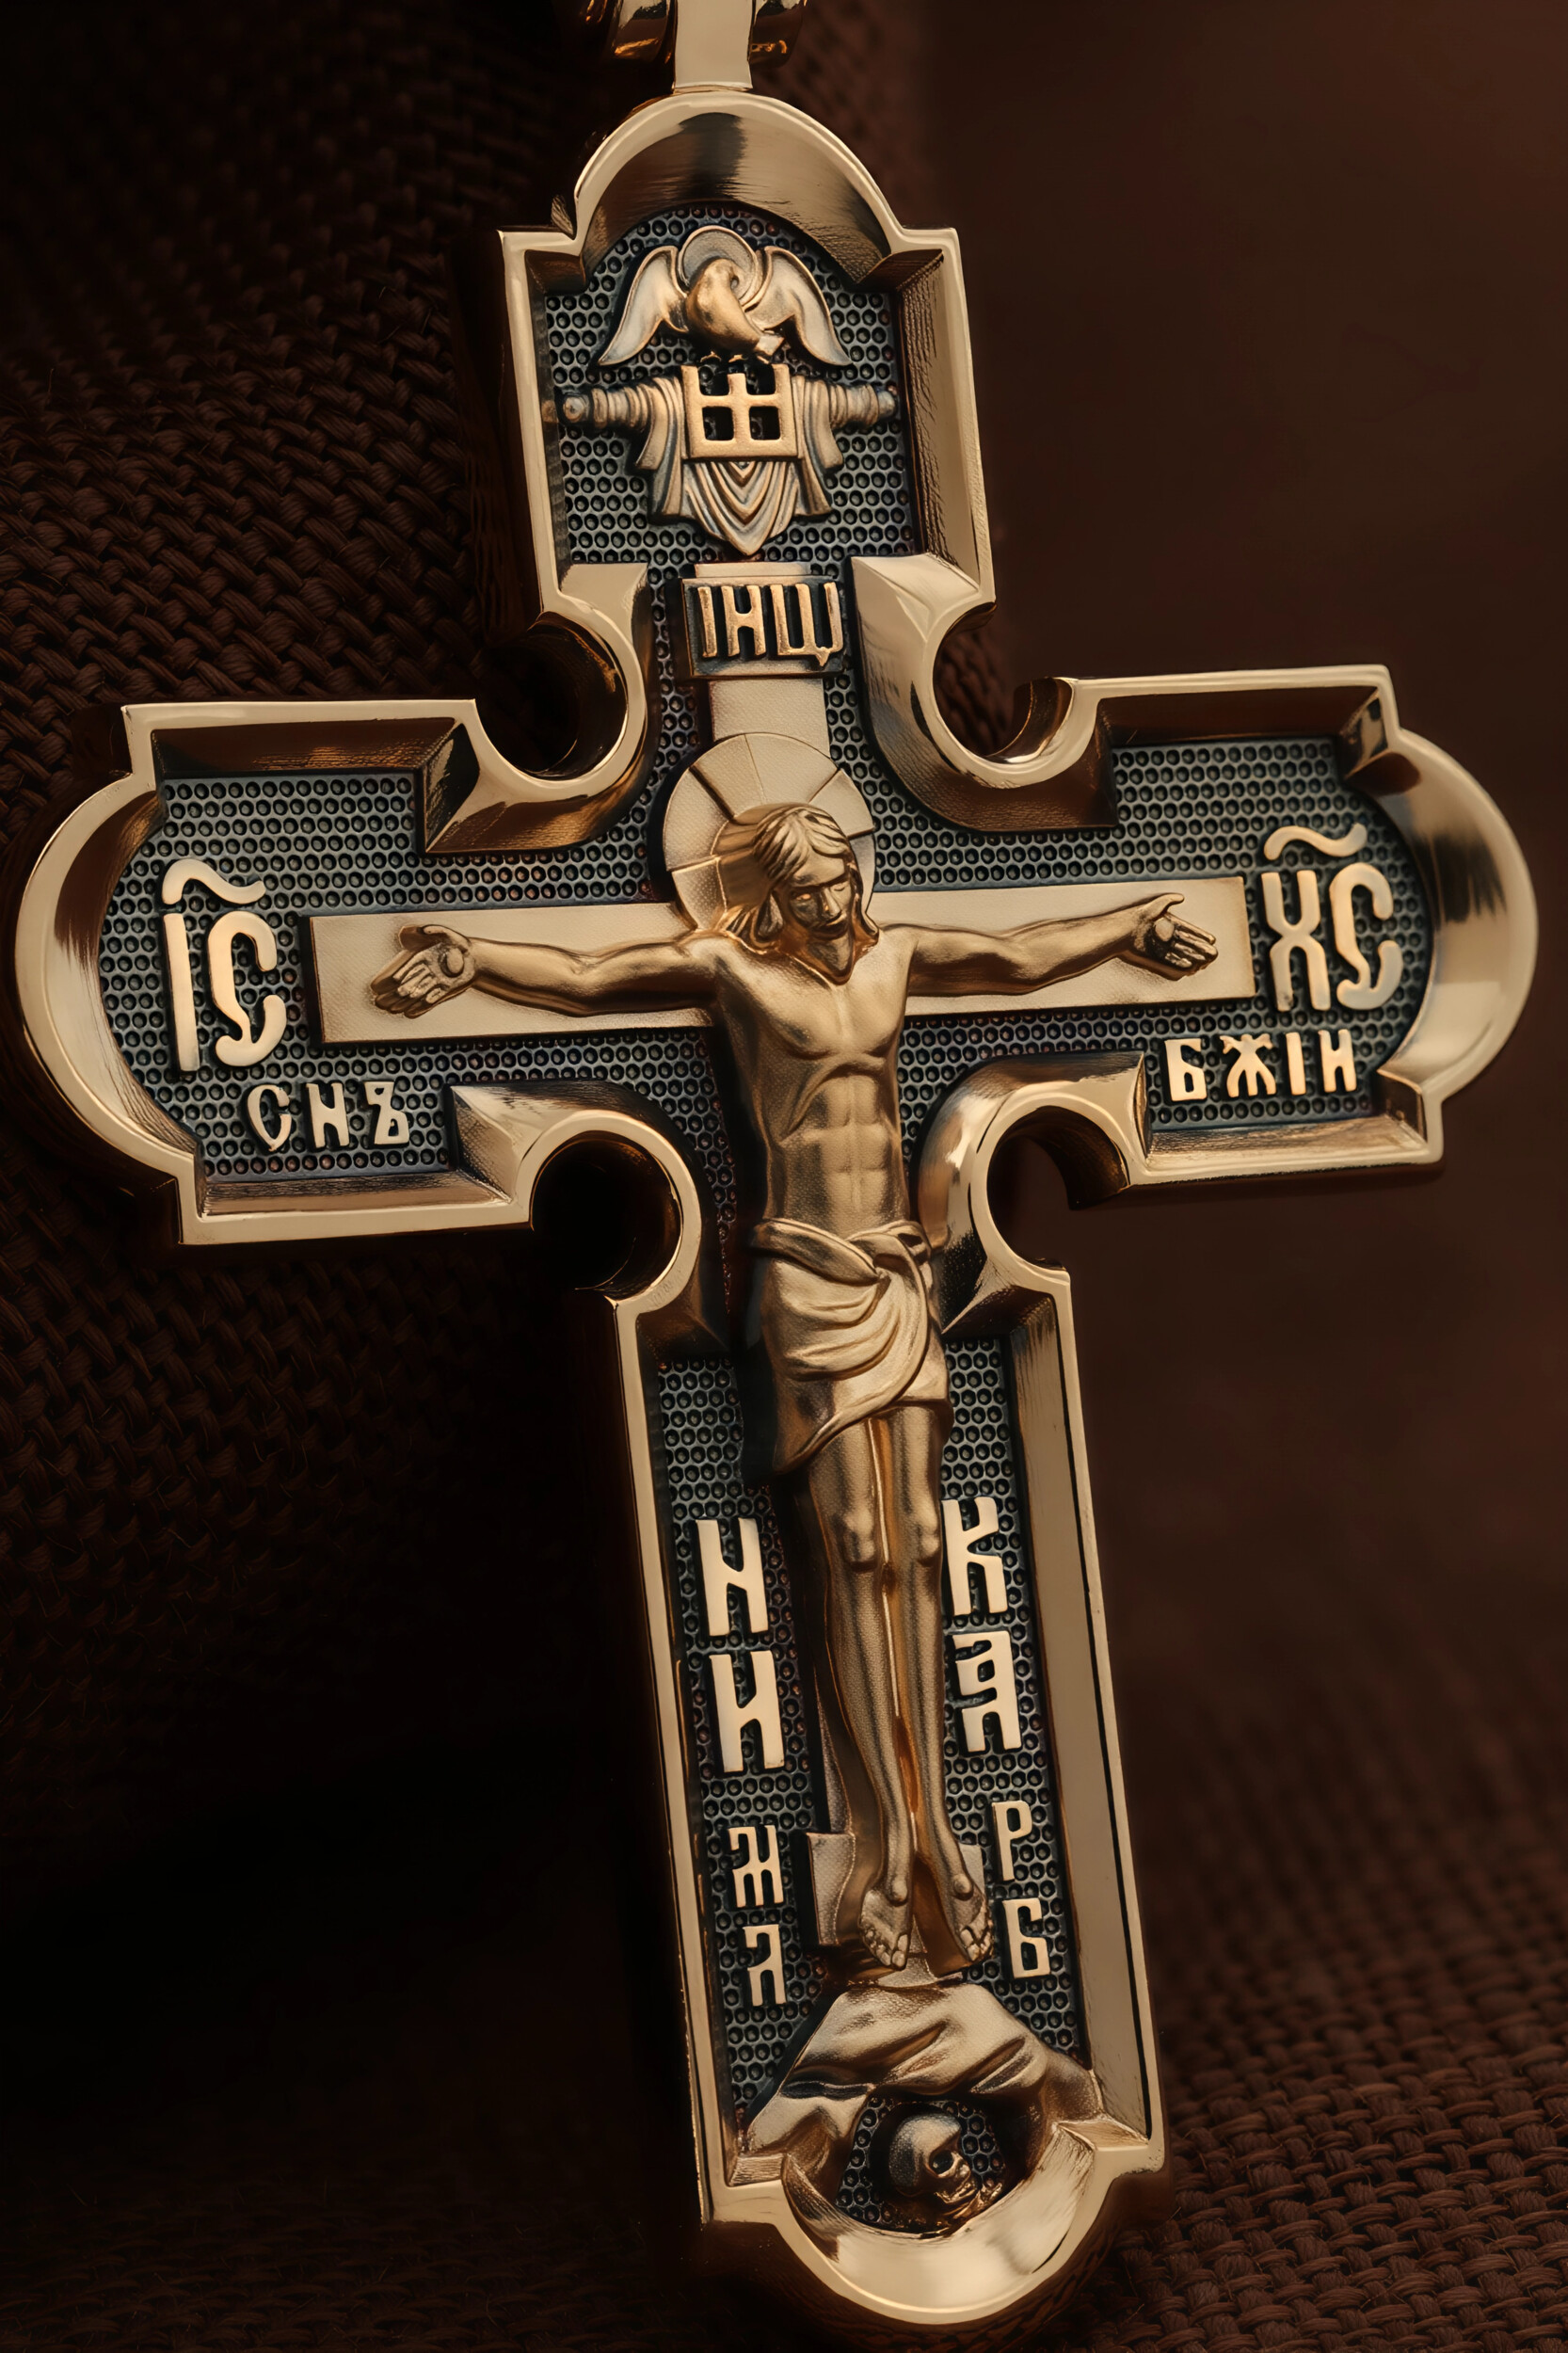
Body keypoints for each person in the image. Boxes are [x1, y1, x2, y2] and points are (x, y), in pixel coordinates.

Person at [373, 803, 1216, 1970]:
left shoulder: (894, 955)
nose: (833, 903)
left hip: (895, 1275)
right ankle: (884, 1837)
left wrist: (1130, 924)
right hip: (809, 1282)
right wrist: (474, 956)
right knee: (854, 1546)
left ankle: (933, 1826)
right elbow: (590, 976)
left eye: (841, 880)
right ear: (771, 895)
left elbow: (1020, 954)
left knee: (922, 1538)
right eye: (810, 888)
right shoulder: (736, 972)